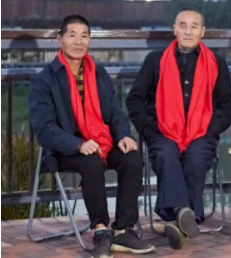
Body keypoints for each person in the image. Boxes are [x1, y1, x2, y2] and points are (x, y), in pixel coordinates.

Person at [29, 15, 155, 258]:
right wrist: (78, 144)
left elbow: (116, 112)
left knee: (132, 158)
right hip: (66, 148)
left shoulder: (99, 73)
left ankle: (123, 229)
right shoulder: (44, 80)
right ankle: (101, 230)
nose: (78, 41)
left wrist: (123, 135)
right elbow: (44, 128)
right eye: (72, 35)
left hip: (102, 141)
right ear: (60, 39)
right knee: (92, 163)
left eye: (84, 36)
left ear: (89, 40)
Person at [126, 8, 231, 249]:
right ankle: (185, 215)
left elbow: (228, 104)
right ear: (174, 29)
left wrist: (211, 128)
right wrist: (151, 129)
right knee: (166, 155)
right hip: (162, 131)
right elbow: (134, 100)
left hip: (202, 132)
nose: (188, 31)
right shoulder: (155, 60)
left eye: (194, 26)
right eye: (183, 25)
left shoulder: (216, 63)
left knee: (196, 159)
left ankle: (176, 217)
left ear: (202, 31)